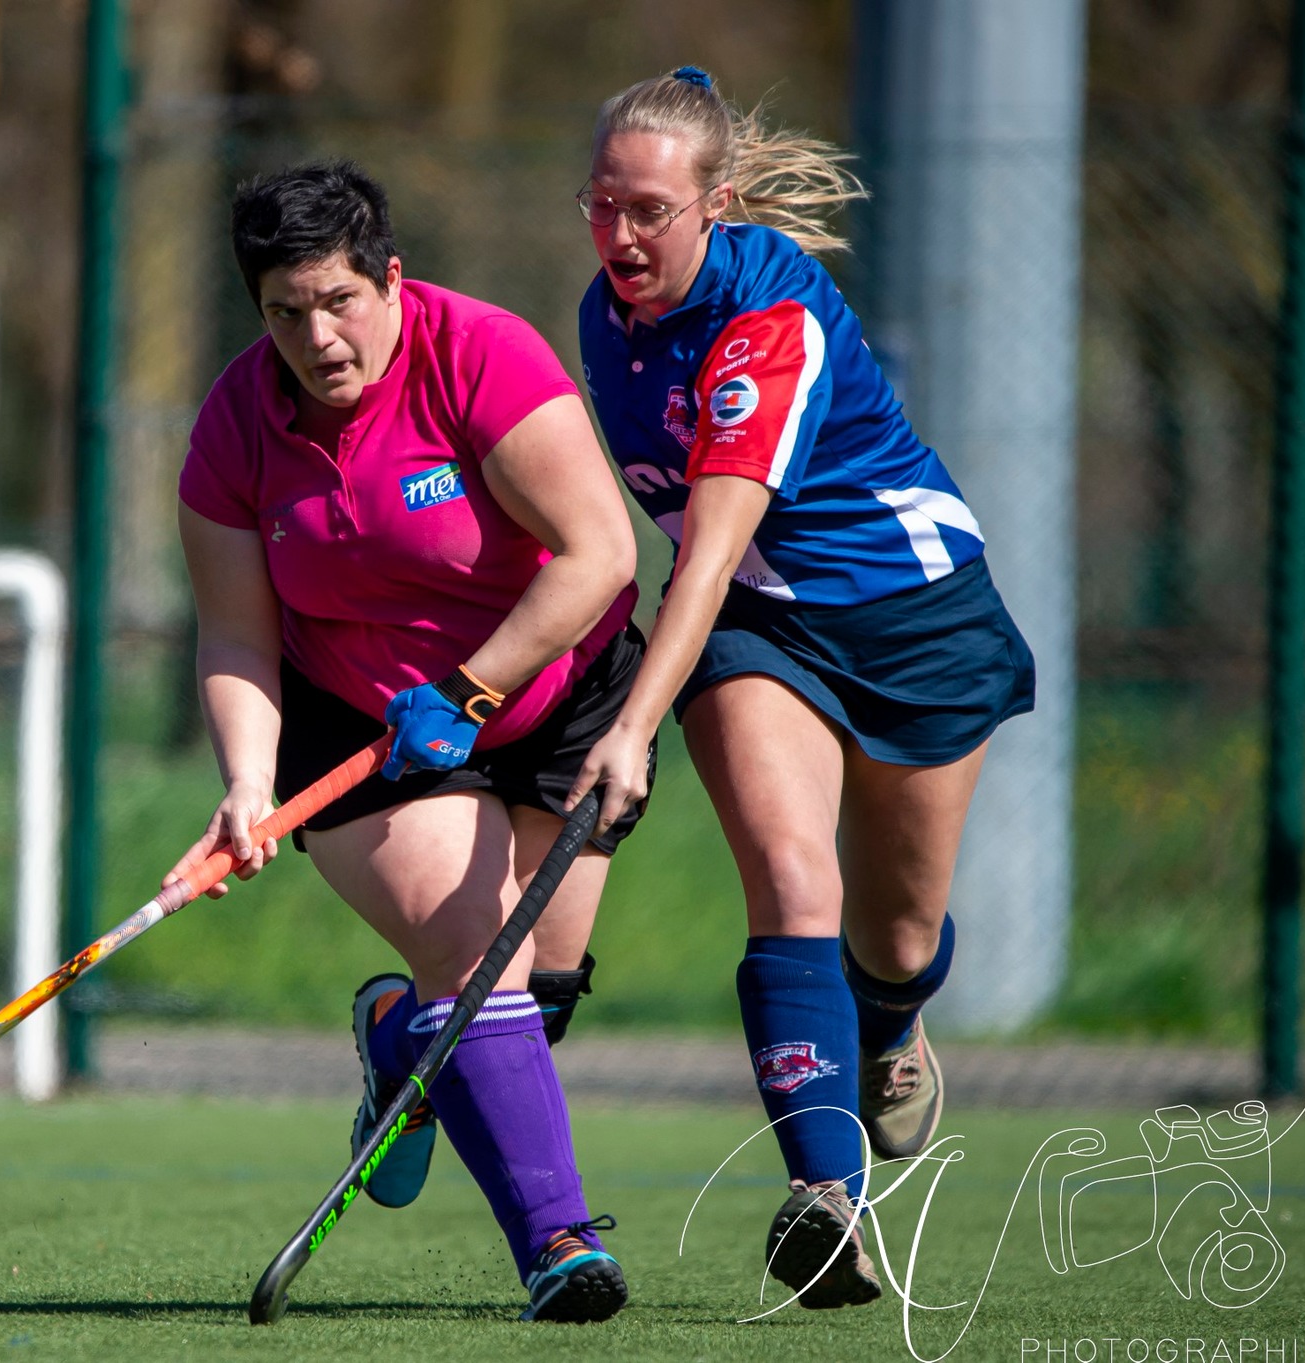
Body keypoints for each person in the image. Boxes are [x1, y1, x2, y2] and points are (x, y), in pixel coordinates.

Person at [562, 68, 1036, 1310]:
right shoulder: (604, 315)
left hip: (913, 619)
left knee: (895, 939)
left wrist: (629, 728)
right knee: (790, 878)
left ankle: (889, 1019)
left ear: (713, 204)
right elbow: (705, 570)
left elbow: (708, 545)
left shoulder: (766, 323)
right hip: (756, 627)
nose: (619, 236)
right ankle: (827, 1199)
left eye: (649, 211)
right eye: (602, 204)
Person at [168, 160, 646, 1323]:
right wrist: (245, 781)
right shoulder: (233, 428)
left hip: (554, 694)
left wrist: (471, 689)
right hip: (358, 720)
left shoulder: (481, 356)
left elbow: (600, 552)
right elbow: (234, 635)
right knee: (476, 960)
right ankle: (558, 1246)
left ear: (390, 277)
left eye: (338, 301)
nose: (317, 339)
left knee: (530, 999)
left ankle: (397, 1041)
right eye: (285, 312)